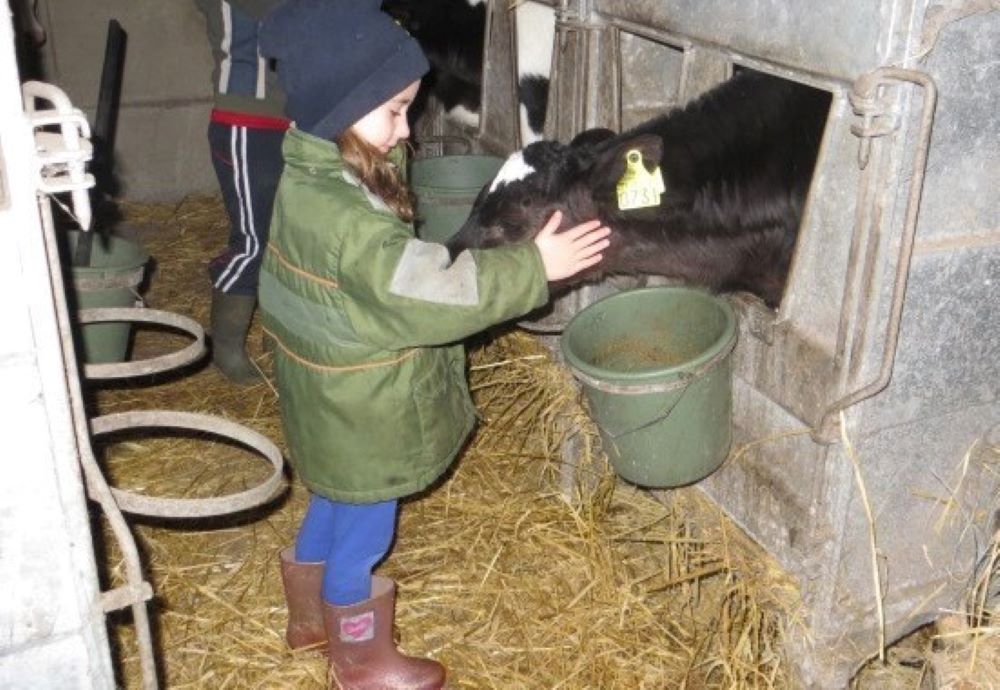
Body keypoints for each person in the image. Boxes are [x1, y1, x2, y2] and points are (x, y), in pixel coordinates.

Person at [257, 1, 610, 687]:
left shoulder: (307, 180)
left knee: (333, 499)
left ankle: (308, 624)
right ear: (340, 106)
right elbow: (431, 293)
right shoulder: (350, 225)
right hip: (366, 408)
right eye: (392, 110)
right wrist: (536, 267)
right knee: (364, 534)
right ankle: (358, 660)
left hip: (328, 396)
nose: (404, 128)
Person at [195, 0, 288, 384]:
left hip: (293, 116)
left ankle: (280, 335)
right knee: (253, 241)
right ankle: (226, 347)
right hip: (245, 120)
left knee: (287, 237)